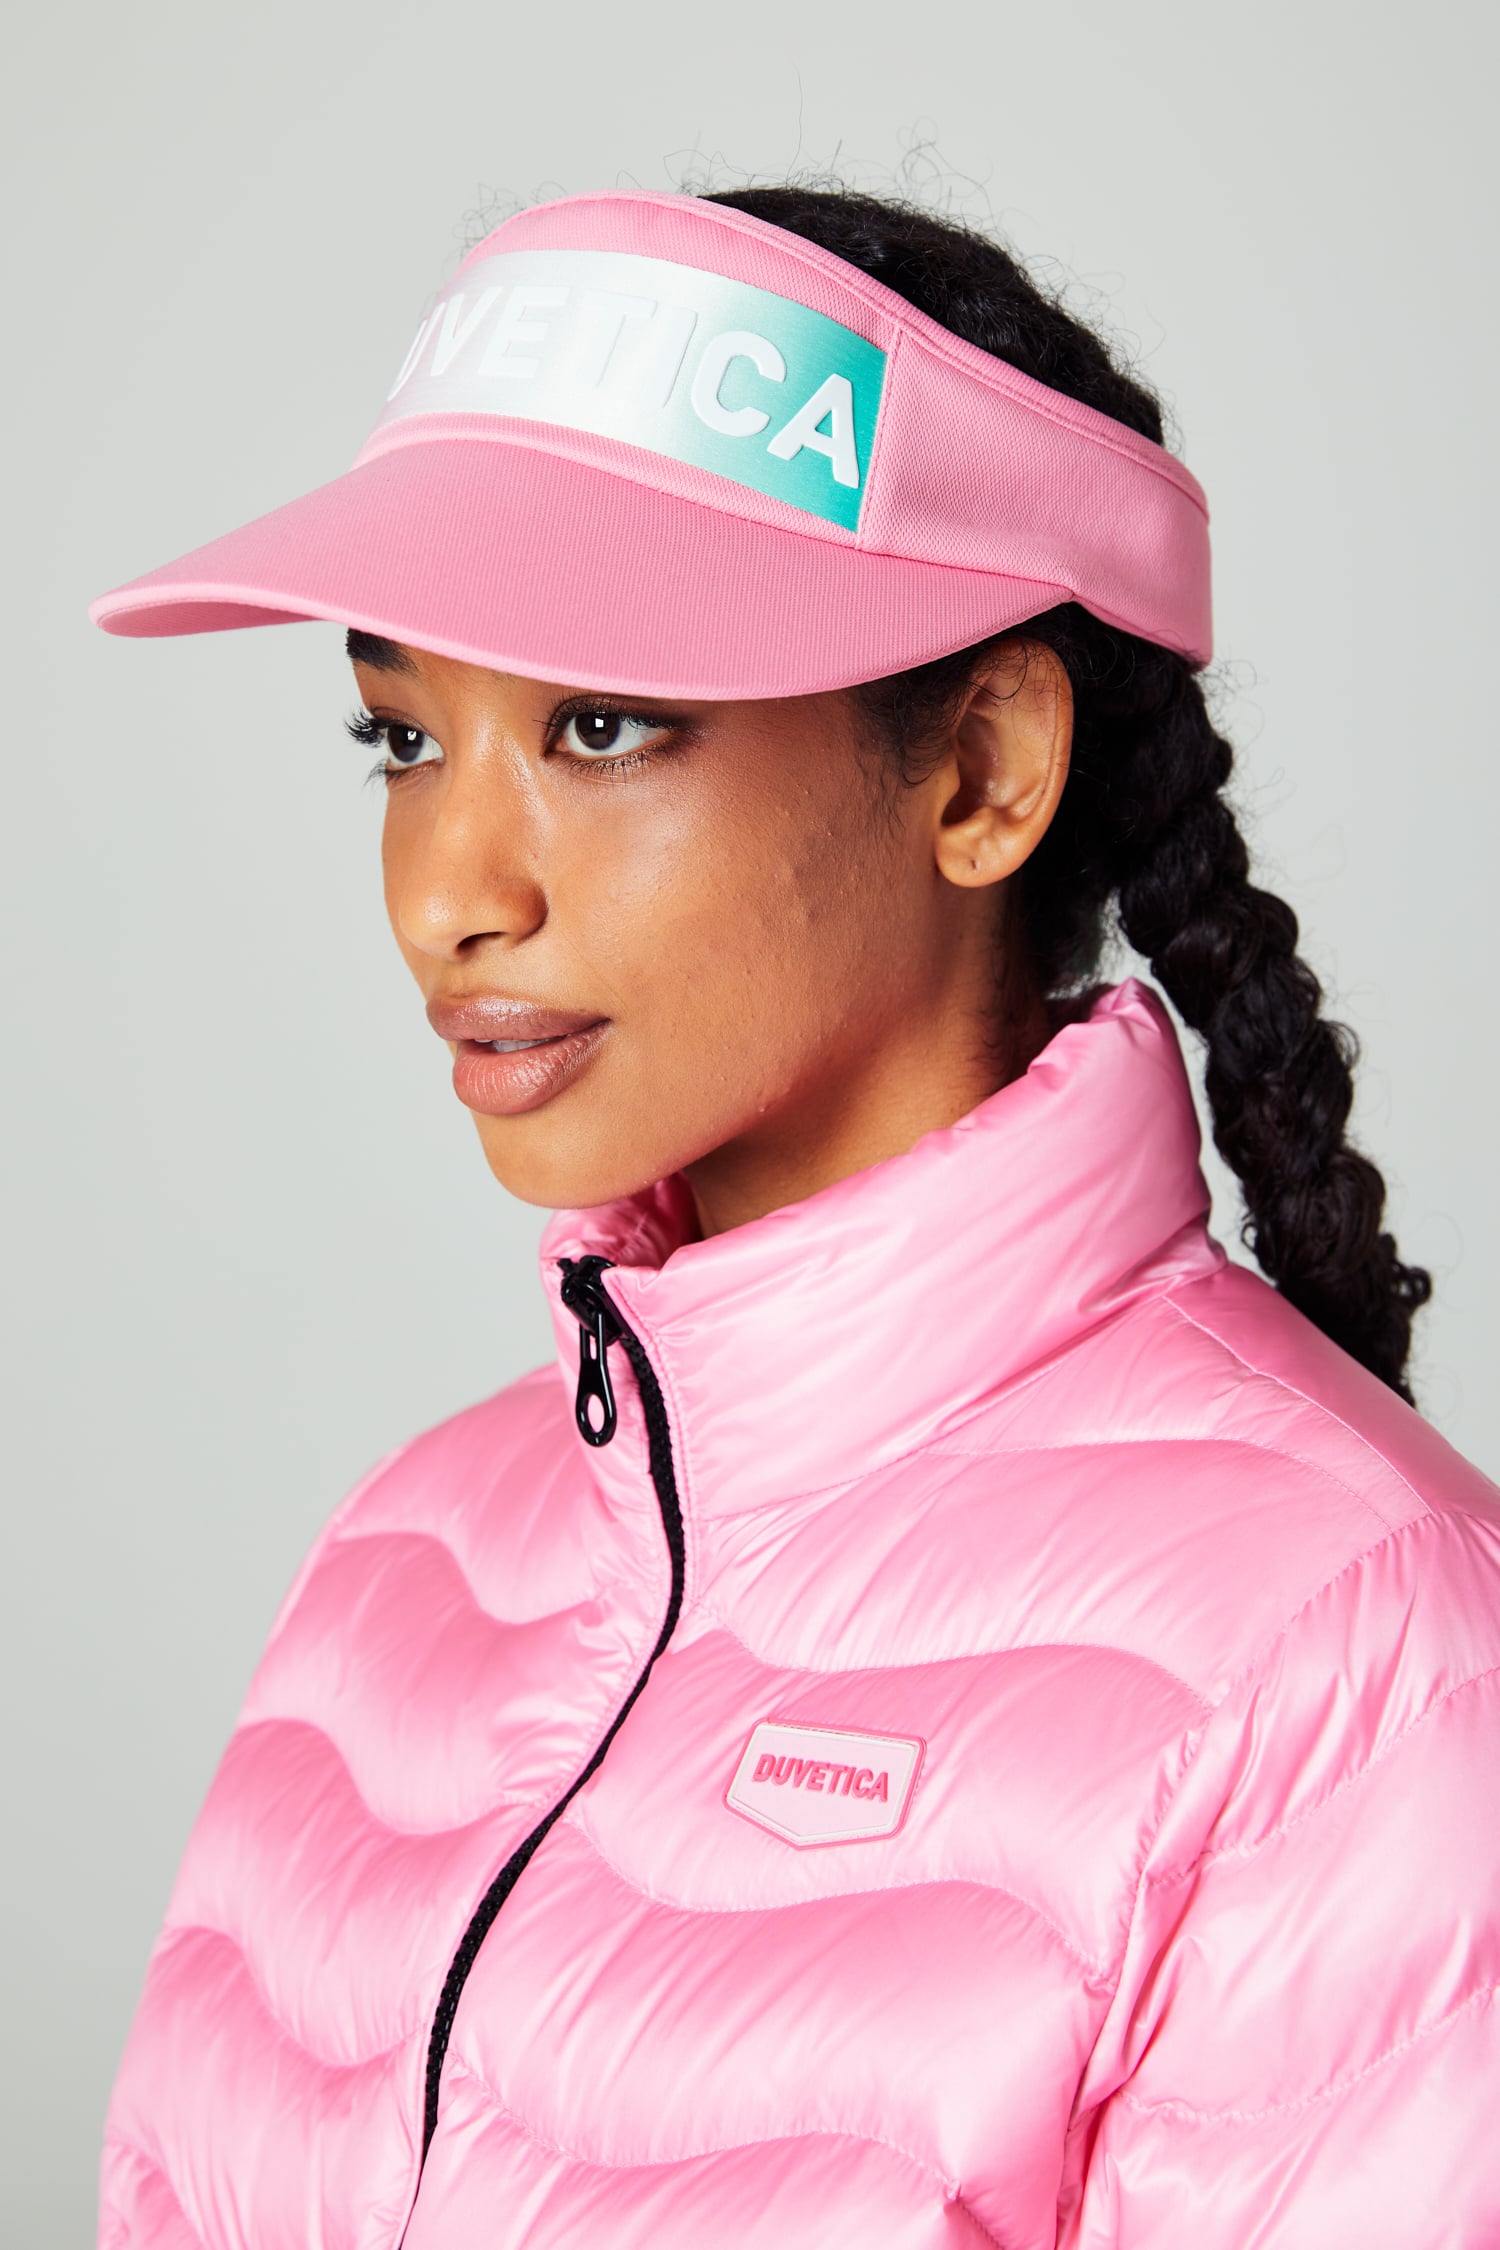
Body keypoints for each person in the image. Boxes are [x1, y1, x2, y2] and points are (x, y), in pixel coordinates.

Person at [90, 185, 1500, 2250]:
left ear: (983, 770)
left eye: (599, 726)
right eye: (402, 736)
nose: (448, 890)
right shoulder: (402, 1567)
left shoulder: (1364, 1666)